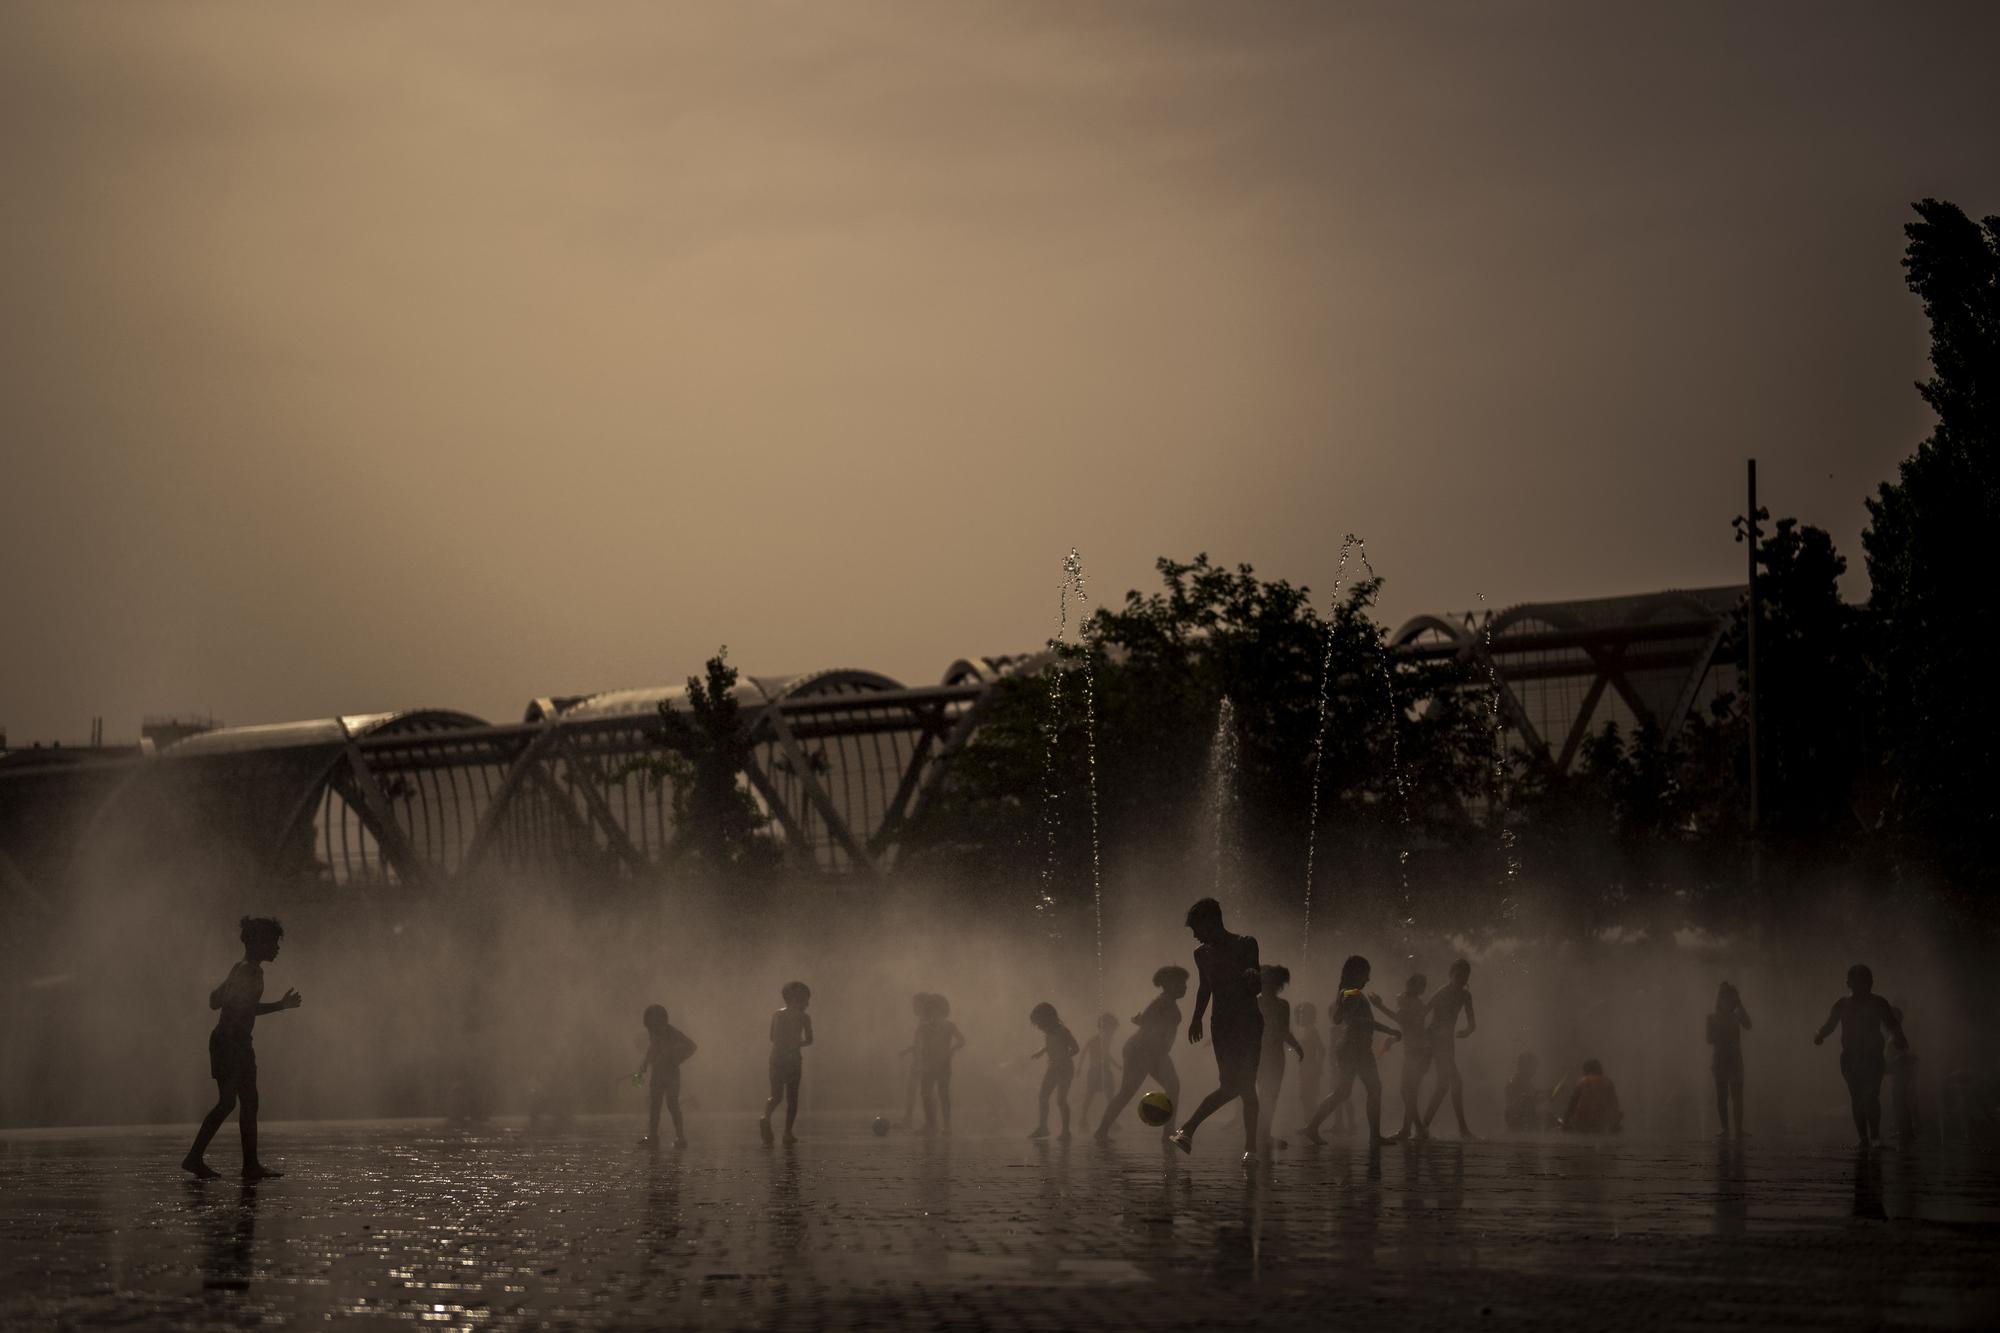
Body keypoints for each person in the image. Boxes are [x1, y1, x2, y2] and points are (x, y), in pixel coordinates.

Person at [181, 916, 303, 1180]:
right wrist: (281, 1006)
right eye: (273, 942)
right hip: (234, 1043)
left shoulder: (239, 968)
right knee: (245, 1102)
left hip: (224, 1041)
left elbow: (214, 1001)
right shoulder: (251, 971)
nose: (277, 948)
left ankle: (198, 1157)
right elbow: (243, 1008)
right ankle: (247, 1165)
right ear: (259, 943)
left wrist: (231, 998)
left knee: (230, 1103)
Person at [1167, 898, 1264, 1163]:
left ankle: (1245, 1147)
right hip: (1221, 1024)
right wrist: (1196, 1018)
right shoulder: (1201, 954)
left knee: (1244, 1086)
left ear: (1212, 921)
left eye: (1197, 928)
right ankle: (1249, 1149)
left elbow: (1257, 986)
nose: (1195, 935)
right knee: (1233, 1085)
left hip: (1248, 1022)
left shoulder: (1246, 944)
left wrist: (1254, 978)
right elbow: (1204, 987)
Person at [1302, 955, 1401, 1145]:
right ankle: (1374, 1136)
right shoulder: (1353, 993)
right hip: (1355, 1048)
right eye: (1366, 974)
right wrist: (1387, 1029)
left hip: (1352, 1047)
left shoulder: (1346, 992)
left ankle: (1312, 1127)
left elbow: (1338, 1019)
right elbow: (1350, 1020)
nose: (1368, 979)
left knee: (1343, 1092)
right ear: (1356, 973)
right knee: (1373, 1088)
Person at [1814, 964, 1909, 1150]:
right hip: (1850, 1058)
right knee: (1857, 1097)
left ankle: (1874, 1137)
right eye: (1860, 981)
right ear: (1849, 983)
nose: (1865, 985)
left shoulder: (1878, 1003)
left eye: (1868, 981)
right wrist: (1819, 1034)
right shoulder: (1843, 1004)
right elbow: (1829, 1025)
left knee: (1871, 1095)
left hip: (1873, 1057)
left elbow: (1892, 1023)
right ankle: (1864, 1137)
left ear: (1872, 983)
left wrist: (1899, 1038)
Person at [1093, 965, 1187, 1143]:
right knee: (1127, 1092)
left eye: (1184, 983)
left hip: (1155, 1053)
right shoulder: (1160, 1003)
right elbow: (1149, 1025)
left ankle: (1168, 1132)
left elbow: (1146, 1022)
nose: (1185, 987)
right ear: (1168, 984)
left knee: (1173, 1087)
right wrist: (1142, 1023)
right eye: (1181, 983)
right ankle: (1102, 1130)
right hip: (1141, 1052)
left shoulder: (1166, 1003)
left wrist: (1140, 1021)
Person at [1419, 959, 1480, 1140]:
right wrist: (1424, 1041)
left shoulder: (1465, 996)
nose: (1461, 979)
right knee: (1454, 1083)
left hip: (1447, 1043)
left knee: (1443, 1086)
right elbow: (1423, 1013)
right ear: (1451, 975)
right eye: (1458, 975)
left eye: (1465, 976)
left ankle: (1423, 1127)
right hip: (1435, 1041)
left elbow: (1472, 1024)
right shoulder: (1441, 993)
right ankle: (1461, 1129)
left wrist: (1466, 1032)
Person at [1254, 966, 1305, 1152]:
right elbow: (1283, 1032)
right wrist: (1297, 1047)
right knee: (1267, 1095)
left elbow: (1284, 1031)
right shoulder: (1265, 1003)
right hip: (1266, 1055)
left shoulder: (1272, 1004)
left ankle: (1262, 1134)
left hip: (1269, 1055)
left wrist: (1297, 1046)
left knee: (1268, 1095)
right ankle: (1262, 1135)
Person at [1376, 973, 1431, 1139]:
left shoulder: (1413, 1004)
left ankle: (1418, 1129)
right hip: (1419, 1053)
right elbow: (1409, 1029)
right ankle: (1408, 1129)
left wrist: (1379, 1006)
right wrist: (1393, 1039)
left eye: (1413, 985)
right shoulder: (1415, 1003)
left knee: (1406, 1092)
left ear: (1419, 989)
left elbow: (1400, 1019)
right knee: (1410, 1093)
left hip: (1417, 1054)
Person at [634, 1003, 697, 1148]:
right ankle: (653, 1136)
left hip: (671, 1073)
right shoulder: (655, 1034)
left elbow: (692, 1046)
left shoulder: (673, 1033)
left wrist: (675, 1057)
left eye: (653, 1026)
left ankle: (680, 1137)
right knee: (654, 1105)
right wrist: (645, 1063)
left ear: (661, 1021)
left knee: (672, 1104)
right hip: (657, 1073)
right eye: (650, 1027)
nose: (651, 1030)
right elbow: (652, 1048)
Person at [760, 981, 814, 1146]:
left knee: (776, 1095)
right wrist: (798, 1044)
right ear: (796, 999)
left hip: (776, 1057)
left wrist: (784, 1045)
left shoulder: (778, 1014)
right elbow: (810, 1040)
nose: (807, 1003)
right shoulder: (804, 1018)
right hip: (793, 1059)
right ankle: (787, 1133)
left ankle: (765, 1117)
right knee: (792, 1097)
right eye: (805, 999)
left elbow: (772, 1037)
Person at [1026, 1003, 1081, 1139]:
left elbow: (1075, 1048)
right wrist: (1041, 1052)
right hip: (1053, 1068)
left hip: (1065, 1068)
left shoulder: (1063, 1031)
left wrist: (1063, 1057)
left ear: (1048, 1019)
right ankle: (1043, 1128)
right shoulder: (1049, 1032)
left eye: (1039, 1023)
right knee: (1043, 1096)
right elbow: (1050, 1044)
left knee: (1061, 1100)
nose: (1038, 1027)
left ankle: (1066, 1131)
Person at [1706, 982, 1752, 1139]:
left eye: (1731, 998)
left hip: (1735, 1059)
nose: (1728, 1001)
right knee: (1722, 1096)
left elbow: (1749, 1025)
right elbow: (1708, 1039)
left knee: (1737, 1097)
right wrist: (1719, 1032)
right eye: (1725, 998)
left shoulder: (1737, 1015)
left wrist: (1740, 1005)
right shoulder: (1711, 1018)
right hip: (1720, 1060)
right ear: (1719, 999)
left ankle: (1738, 1129)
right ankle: (1725, 1128)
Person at [915, 992, 965, 1136]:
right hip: (928, 1065)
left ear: (943, 1009)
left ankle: (947, 1125)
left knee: (943, 1094)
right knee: (925, 1094)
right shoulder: (923, 1027)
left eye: (936, 1008)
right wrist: (920, 1063)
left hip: (943, 1065)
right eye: (930, 1008)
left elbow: (962, 1040)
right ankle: (930, 1124)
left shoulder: (950, 1026)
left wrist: (952, 1051)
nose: (933, 1012)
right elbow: (920, 1047)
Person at [1079, 1013, 1123, 1131]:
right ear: (1106, 1027)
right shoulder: (1097, 1039)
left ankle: (1110, 1121)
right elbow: (1084, 1052)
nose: (1113, 1031)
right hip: (1096, 1071)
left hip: (1103, 1070)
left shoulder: (1105, 1038)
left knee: (1107, 1096)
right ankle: (1083, 1119)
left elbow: (1106, 1054)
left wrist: (1117, 1066)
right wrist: (1078, 1068)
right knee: (1091, 1095)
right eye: (1112, 1028)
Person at [1560, 1058, 1623, 1134]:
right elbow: (1614, 1104)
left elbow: (1571, 1105)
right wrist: (1615, 1121)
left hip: (1583, 1123)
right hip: (1603, 1124)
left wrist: (1565, 1122)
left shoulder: (1582, 1082)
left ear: (1586, 1070)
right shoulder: (1608, 1082)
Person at [898, 993, 933, 1128]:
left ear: (923, 1005)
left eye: (915, 1004)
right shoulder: (923, 1020)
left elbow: (926, 1044)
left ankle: (929, 1121)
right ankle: (909, 1118)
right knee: (913, 1090)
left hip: (924, 1061)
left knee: (925, 1091)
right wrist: (908, 1050)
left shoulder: (927, 1022)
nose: (913, 1007)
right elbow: (919, 1043)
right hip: (919, 1060)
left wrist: (921, 1061)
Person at [1293, 1001, 1324, 1136]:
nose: (1300, 1016)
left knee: (1308, 1097)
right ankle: (1310, 1126)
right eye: (1300, 1013)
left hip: (1309, 1067)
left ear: (1310, 1016)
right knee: (1306, 1097)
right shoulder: (1308, 1029)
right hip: (1306, 1067)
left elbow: (1322, 1049)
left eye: (1303, 1013)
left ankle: (1311, 1127)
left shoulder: (1312, 1030)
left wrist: (1318, 1066)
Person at [1503, 1053, 1543, 1132]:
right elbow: (1531, 1099)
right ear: (1524, 1067)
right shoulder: (1516, 1082)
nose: (1534, 1071)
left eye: (1535, 1068)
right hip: (1520, 1126)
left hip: (1523, 1122)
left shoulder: (1524, 1081)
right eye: (1532, 1067)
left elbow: (1534, 1095)